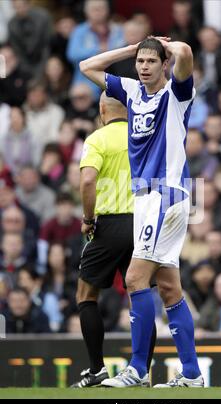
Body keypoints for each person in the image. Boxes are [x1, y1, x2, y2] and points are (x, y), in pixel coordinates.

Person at [80, 36, 204, 388]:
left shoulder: (177, 94)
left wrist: (168, 45)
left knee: (135, 279)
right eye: (141, 62)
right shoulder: (132, 92)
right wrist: (131, 48)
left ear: (164, 65)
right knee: (168, 287)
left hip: (165, 193)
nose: (145, 67)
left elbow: (187, 53)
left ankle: (136, 369)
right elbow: (86, 67)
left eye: (152, 61)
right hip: (149, 199)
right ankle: (192, 373)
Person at [72, 93, 156, 388]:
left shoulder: (97, 139)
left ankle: (96, 369)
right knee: (141, 297)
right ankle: (141, 371)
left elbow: (87, 181)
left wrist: (87, 218)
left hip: (108, 225)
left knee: (86, 295)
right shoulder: (144, 137)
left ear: (101, 109)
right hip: (143, 223)